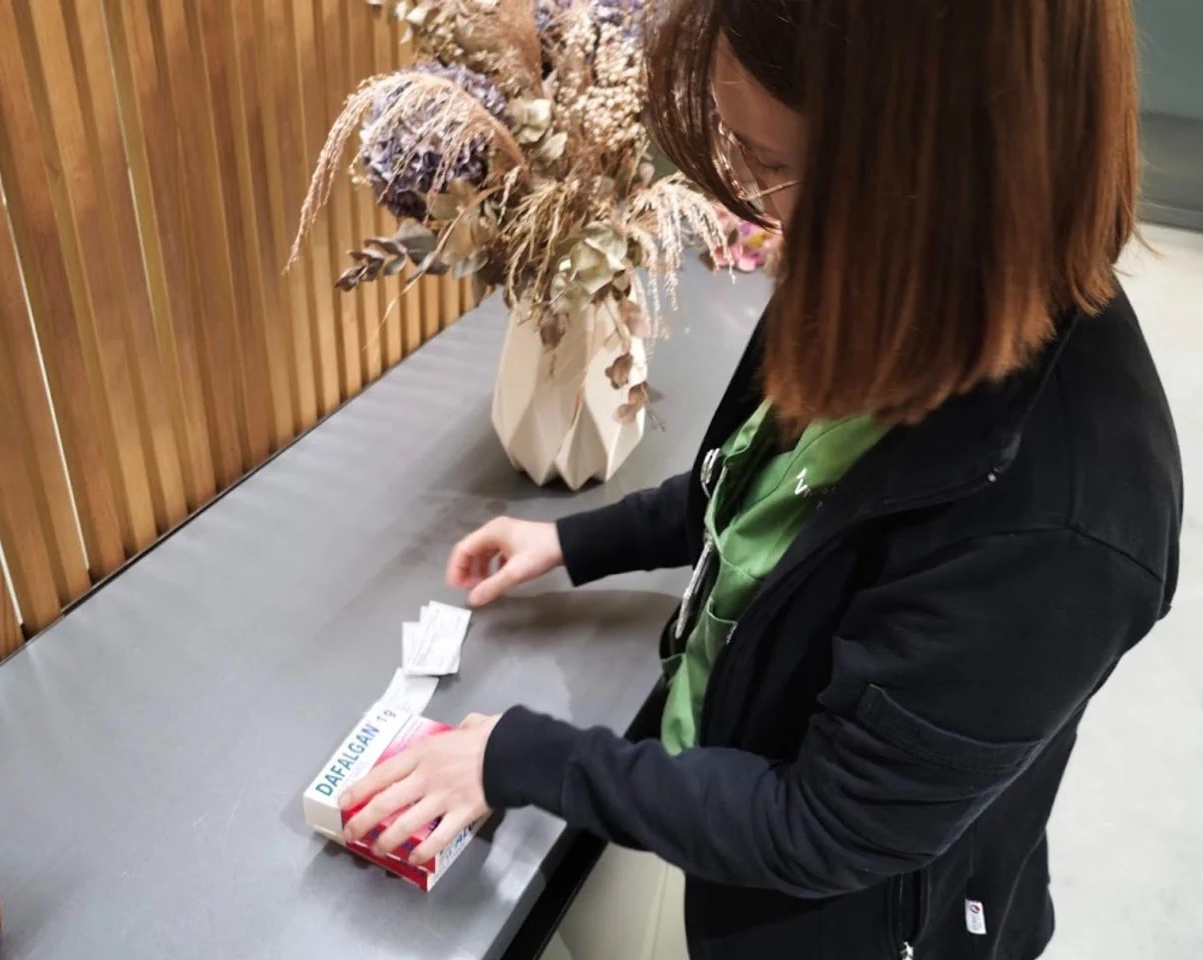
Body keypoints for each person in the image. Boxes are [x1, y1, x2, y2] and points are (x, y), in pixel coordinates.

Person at [342, 1, 1182, 957]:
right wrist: (581, 540)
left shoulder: (1063, 523)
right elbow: (761, 487)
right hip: (715, 787)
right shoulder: (883, 270)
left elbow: (825, 827)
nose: (765, 224)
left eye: (780, 169)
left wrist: (526, 757)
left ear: (934, 172)